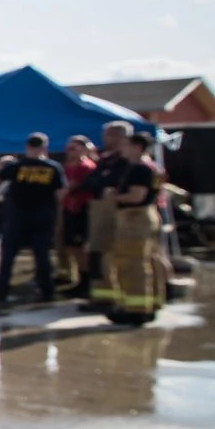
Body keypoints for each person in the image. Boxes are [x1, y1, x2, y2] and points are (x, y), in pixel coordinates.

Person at [0, 133, 65, 307]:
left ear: (27, 147)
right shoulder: (52, 167)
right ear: (44, 147)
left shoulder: (17, 166)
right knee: (42, 256)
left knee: (8, 256)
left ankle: (1, 292)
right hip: (41, 217)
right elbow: (61, 191)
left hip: (17, 216)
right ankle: (47, 292)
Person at [104, 132, 167, 324]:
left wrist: (114, 197)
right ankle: (152, 303)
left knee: (130, 262)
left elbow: (136, 196)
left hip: (134, 218)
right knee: (150, 260)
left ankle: (135, 309)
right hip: (148, 215)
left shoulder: (139, 169)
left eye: (126, 145)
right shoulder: (153, 167)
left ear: (138, 147)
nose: (122, 149)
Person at [79, 120, 133, 309]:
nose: (104, 139)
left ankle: (117, 297)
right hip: (99, 209)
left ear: (119, 137)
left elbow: (115, 182)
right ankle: (102, 296)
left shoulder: (126, 161)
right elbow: (90, 181)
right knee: (98, 254)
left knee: (114, 255)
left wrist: (103, 183)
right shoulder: (105, 160)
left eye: (108, 135)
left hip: (118, 211)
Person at [59, 136, 97, 293]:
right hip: (69, 209)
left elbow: (70, 187)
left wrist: (59, 195)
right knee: (71, 246)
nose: (69, 152)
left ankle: (86, 282)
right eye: (68, 149)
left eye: (73, 148)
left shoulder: (86, 167)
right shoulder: (68, 166)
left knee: (79, 247)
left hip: (81, 210)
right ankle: (78, 278)